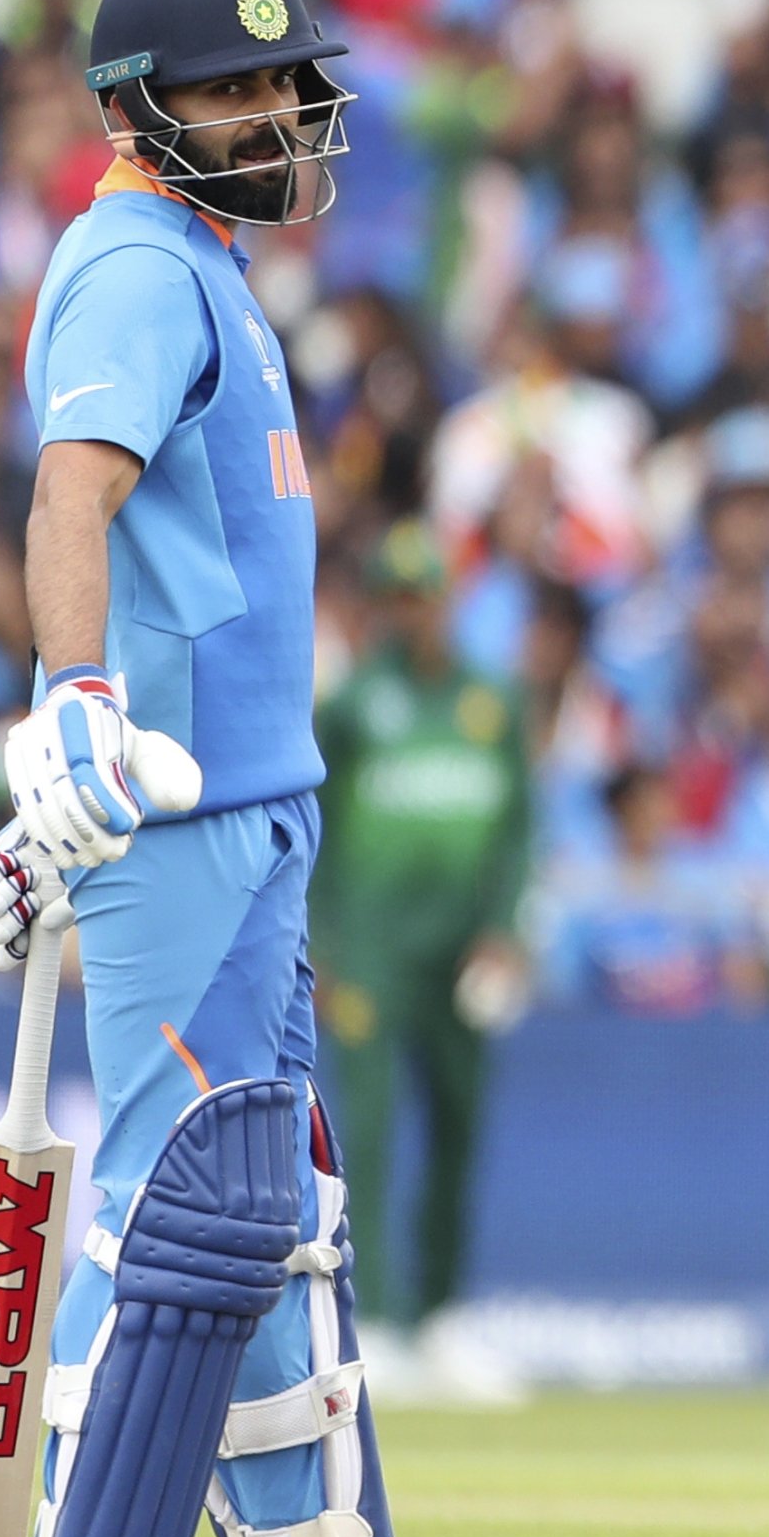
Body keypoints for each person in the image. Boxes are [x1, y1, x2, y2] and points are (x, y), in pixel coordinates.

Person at [0, 0, 430, 1537]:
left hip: (261, 803)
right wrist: (72, 704)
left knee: (273, 1212)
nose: (281, 111)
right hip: (169, 817)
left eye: (284, 79)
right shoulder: (136, 266)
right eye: (234, 88)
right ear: (140, 112)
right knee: (184, 1204)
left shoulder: (208, 262)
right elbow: (71, 495)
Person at [312, 521, 531, 1401]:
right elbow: (317, 830)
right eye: (395, 598)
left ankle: (442, 1315)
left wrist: (506, 926)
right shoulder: (358, 703)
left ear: (449, 598)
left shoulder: (493, 703)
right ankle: (380, 1321)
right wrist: (322, 944)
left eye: (424, 596)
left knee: (458, 1126)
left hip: (461, 953)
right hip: (371, 952)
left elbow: (519, 827)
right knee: (365, 1129)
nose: (412, 614)